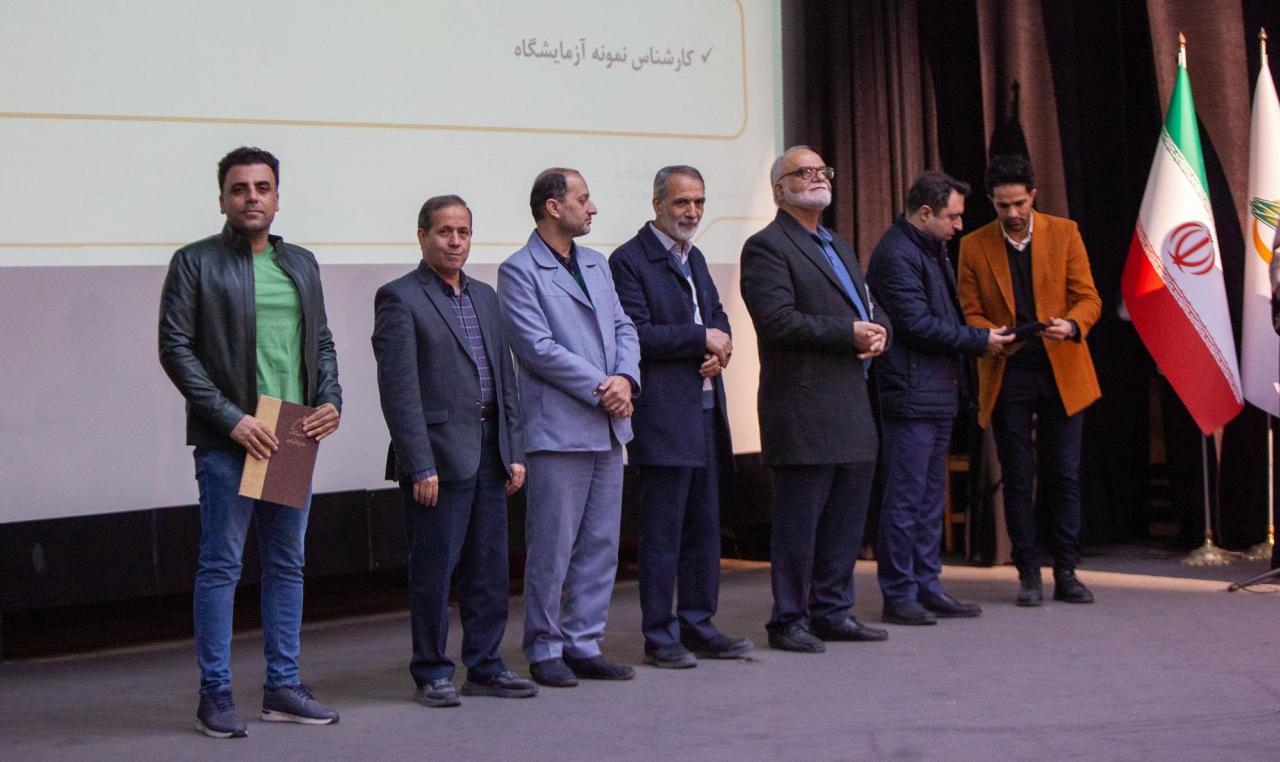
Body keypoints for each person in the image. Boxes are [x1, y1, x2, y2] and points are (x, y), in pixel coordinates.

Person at [158, 146, 342, 738]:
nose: (252, 197)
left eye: (262, 188)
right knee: (221, 566)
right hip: (232, 437)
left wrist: (330, 399)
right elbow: (175, 349)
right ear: (223, 200)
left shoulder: (301, 263)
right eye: (240, 189)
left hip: (289, 430)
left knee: (287, 565)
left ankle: (283, 688)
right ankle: (214, 695)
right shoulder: (195, 262)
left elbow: (320, 342)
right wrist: (229, 419)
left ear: (277, 198)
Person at [372, 195, 537, 708]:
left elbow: (505, 379)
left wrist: (514, 449)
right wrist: (419, 462)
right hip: (438, 458)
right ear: (422, 236)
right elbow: (399, 392)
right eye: (444, 232)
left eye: (463, 232)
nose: (455, 241)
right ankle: (431, 672)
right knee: (434, 571)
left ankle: (485, 667)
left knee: (488, 569)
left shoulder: (486, 296)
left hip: (490, 450)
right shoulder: (400, 297)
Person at [739, 146, 892, 653]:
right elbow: (777, 321)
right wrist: (849, 333)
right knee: (798, 526)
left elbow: (869, 307)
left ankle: (832, 611)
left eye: (822, 170)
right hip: (802, 408)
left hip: (850, 404)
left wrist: (880, 332)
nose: (817, 177)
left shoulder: (837, 243)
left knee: (845, 521)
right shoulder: (766, 246)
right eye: (802, 172)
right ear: (779, 190)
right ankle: (788, 620)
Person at [498, 168, 641, 686]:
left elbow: (624, 326)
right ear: (554, 207)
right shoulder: (519, 270)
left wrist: (626, 378)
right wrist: (605, 386)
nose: (593, 208)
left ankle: (584, 642)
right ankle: (544, 647)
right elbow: (536, 347)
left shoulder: (597, 264)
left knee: (601, 543)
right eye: (584, 199)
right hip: (558, 429)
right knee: (552, 547)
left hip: (609, 426)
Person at [609, 166, 752, 668]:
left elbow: (717, 317)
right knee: (663, 535)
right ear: (657, 205)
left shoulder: (696, 257)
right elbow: (635, 333)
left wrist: (720, 347)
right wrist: (699, 340)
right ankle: (660, 636)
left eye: (699, 202)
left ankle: (699, 625)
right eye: (681, 203)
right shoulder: (628, 260)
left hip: (706, 412)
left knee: (704, 531)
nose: (692, 212)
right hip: (663, 417)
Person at [867, 171, 1014, 626]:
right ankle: (900, 594)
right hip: (910, 395)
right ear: (926, 213)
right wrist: (979, 340)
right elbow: (915, 325)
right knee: (905, 500)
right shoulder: (897, 254)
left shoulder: (930, 249)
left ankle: (927, 587)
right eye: (952, 217)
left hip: (935, 392)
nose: (959, 225)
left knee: (929, 500)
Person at [957, 154, 1102, 606]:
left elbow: (1088, 298)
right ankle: (1028, 574)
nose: (1013, 213)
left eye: (1020, 203)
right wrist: (992, 335)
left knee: (1064, 475)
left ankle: (1067, 572)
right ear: (991, 201)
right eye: (1003, 206)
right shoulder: (974, 245)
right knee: (1018, 478)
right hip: (1009, 371)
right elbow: (969, 310)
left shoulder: (1065, 232)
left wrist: (1072, 325)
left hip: (1062, 368)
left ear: (1033, 195)